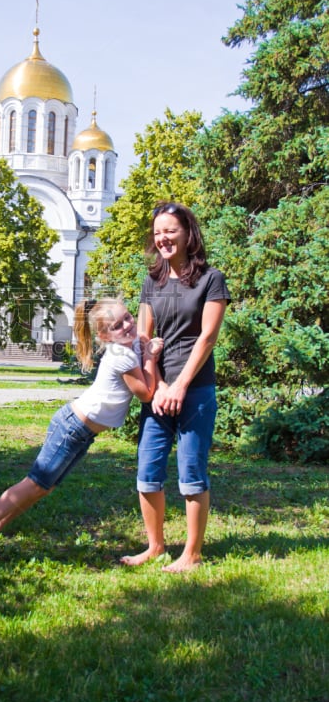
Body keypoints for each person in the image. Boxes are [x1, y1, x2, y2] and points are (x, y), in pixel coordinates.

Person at [0, 298, 163, 562]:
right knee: (34, 484)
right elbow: (146, 394)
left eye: (127, 318)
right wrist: (150, 358)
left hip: (81, 432)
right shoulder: (120, 354)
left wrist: (145, 341)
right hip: (72, 428)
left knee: (43, 488)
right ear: (104, 335)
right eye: (117, 325)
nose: (127, 325)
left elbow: (144, 326)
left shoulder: (129, 343)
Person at [120, 202, 230, 573]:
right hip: (158, 389)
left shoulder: (210, 279)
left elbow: (208, 337)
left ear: (187, 233)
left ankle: (192, 554)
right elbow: (144, 337)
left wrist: (181, 384)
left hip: (195, 389)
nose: (163, 238)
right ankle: (155, 546)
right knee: (147, 471)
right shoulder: (152, 282)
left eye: (170, 231)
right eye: (157, 233)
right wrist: (162, 384)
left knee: (191, 472)